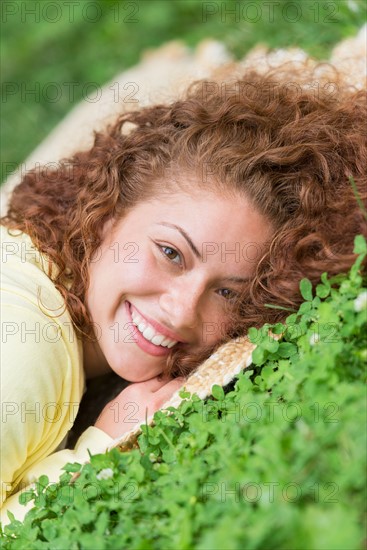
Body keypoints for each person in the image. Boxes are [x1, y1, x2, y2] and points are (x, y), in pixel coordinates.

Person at [1, 66, 366, 524]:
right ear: (107, 211)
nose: (182, 310)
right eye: (171, 253)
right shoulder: (22, 347)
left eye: (228, 293)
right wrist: (97, 452)